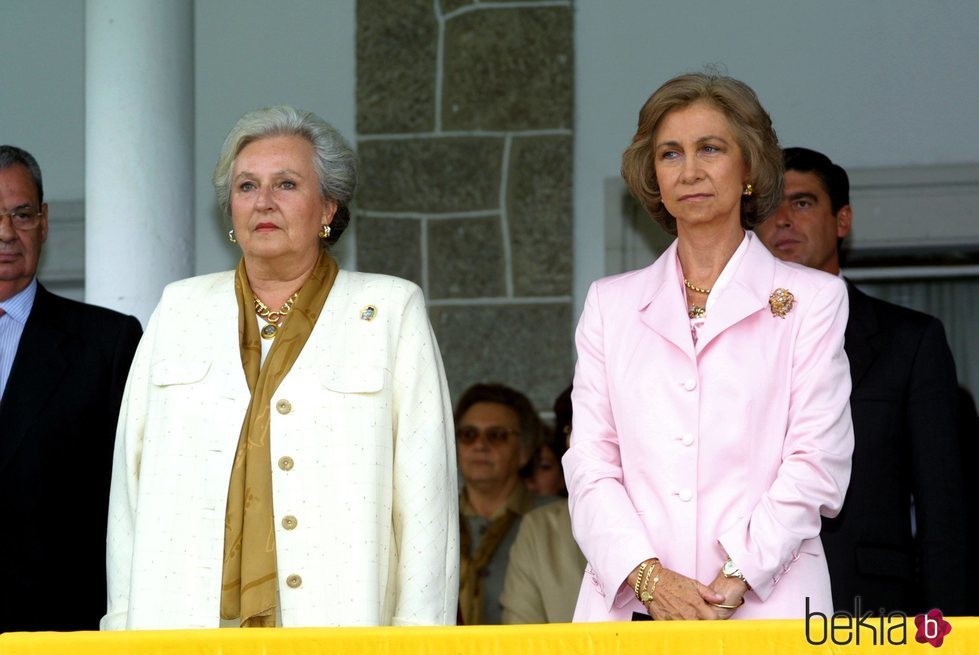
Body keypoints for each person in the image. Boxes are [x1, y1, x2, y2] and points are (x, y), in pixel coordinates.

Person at [102, 106, 458, 630]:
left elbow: (427, 495)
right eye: (246, 187)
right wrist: (124, 626)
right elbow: (128, 490)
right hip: (181, 621)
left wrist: (420, 636)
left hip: (339, 622)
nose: (263, 202)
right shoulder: (180, 309)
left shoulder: (388, 310)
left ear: (328, 208)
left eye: (286, 184)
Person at [564, 72, 854, 622]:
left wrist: (735, 578)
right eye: (670, 153)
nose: (690, 171)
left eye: (710, 149)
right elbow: (590, 466)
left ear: (749, 169)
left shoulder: (814, 300)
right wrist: (649, 579)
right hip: (632, 607)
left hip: (771, 603)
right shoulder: (610, 305)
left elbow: (817, 462)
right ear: (653, 176)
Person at [756, 146, 970, 614]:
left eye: (803, 202)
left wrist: (949, 627)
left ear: (842, 220)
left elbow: (943, 510)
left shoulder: (910, 342)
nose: (784, 219)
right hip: (746, 601)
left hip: (866, 603)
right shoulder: (729, 336)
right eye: (769, 207)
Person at [0, 145, 142, 632]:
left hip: (59, 626)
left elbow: (133, 499)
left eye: (21, 215)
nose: (6, 233)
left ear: (43, 222)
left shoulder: (108, 343)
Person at [456, 383, 545, 625]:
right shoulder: (431, 521)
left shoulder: (555, 522)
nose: (480, 445)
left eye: (496, 435)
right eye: (468, 434)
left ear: (524, 451)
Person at [501, 385, 586, 624]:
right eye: (577, 429)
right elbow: (519, 643)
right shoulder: (541, 529)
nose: (594, 442)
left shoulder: (687, 519)